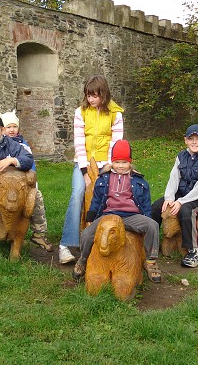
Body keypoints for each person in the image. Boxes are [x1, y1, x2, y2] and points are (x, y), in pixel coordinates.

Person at [71, 139, 162, 283]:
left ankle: (151, 261)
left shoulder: (139, 182)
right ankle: (83, 259)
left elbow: (145, 202)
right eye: (117, 162)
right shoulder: (103, 179)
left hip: (130, 216)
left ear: (130, 162)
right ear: (112, 161)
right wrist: (91, 216)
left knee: (152, 225)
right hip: (109, 216)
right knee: (87, 234)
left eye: (124, 162)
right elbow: (97, 200)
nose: (121, 166)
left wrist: (147, 217)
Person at [58, 75, 124, 264]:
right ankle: (66, 245)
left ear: (104, 95)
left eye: (95, 96)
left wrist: (109, 165)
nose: (91, 99)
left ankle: (105, 240)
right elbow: (79, 142)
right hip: (84, 163)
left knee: (109, 197)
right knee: (78, 193)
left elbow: (116, 142)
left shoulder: (115, 114)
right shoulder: (80, 112)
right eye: (89, 95)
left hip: (106, 164)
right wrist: (85, 172)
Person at [0, 110, 53, 257]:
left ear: (2, 130)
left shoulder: (12, 145)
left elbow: (28, 159)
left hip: (15, 186)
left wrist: (12, 160)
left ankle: (39, 232)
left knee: (36, 199)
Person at [151, 124, 198, 268]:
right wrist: (169, 197)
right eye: (191, 138)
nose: (194, 142)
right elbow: (174, 177)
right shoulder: (181, 156)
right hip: (182, 195)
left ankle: (193, 251)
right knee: (157, 206)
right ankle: (151, 243)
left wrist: (181, 201)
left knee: (187, 211)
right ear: (185, 140)